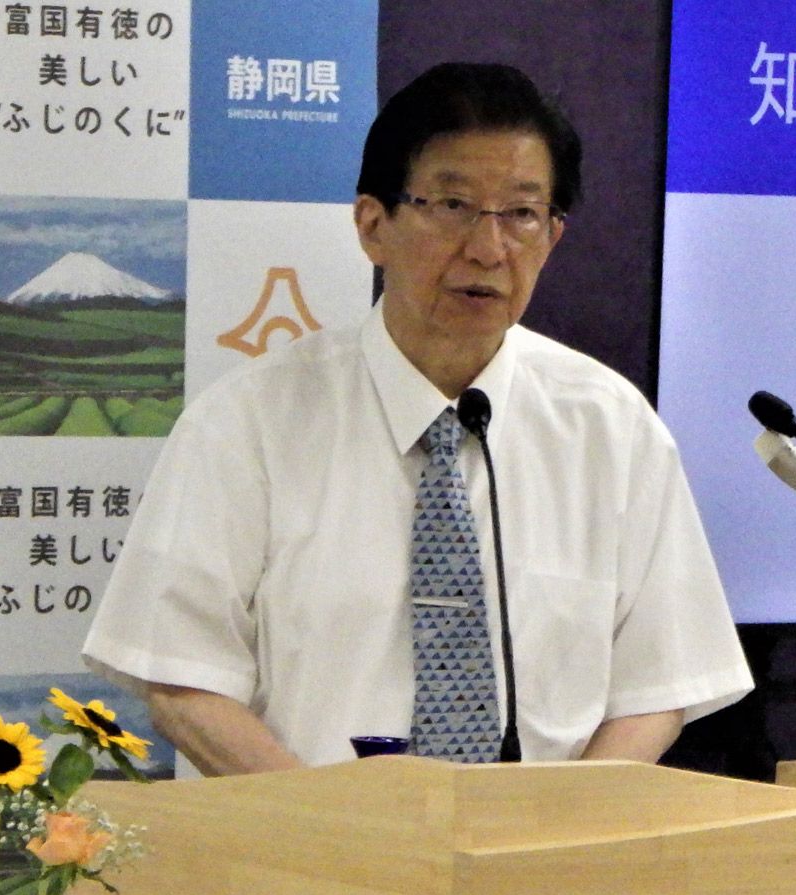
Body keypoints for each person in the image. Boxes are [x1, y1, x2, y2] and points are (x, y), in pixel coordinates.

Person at [82, 62, 751, 774]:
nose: (488, 249)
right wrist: (331, 825)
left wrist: (562, 824)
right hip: (314, 835)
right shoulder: (248, 423)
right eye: (453, 206)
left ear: (553, 236)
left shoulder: (610, 427)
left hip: (545, 839)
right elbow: (183, 680)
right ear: (373, 226)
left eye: (521, 214)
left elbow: (657, 686)